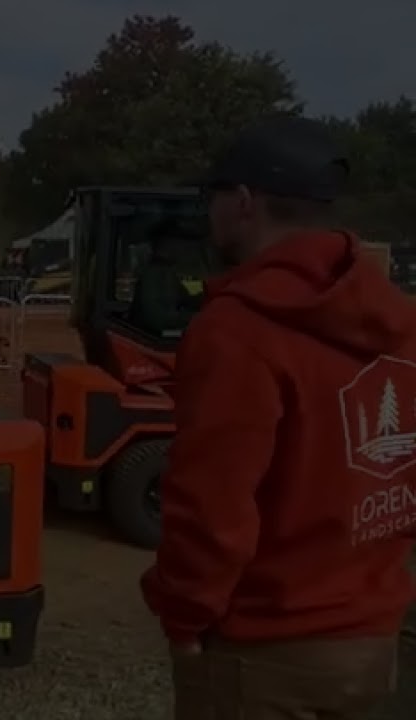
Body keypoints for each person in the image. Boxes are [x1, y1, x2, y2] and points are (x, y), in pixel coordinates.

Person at [140, 115, 416, 720]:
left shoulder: (236, 331)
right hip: (372, 641)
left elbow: (212, 507)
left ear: (243, 202)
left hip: (267, 649)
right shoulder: (399, 323)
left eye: (213, 196)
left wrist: (185, 617)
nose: (209, 212)